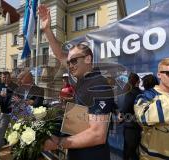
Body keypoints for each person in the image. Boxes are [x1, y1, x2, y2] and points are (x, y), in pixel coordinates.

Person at [39, 5, 115, 160]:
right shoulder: (81, 79)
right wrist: (47, 30)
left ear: (88, 59)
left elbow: (97, 135)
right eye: (69, 62)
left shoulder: (99, 85)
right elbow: (60, 54)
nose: (70, 65)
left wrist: (59, 143)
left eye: (74, 61)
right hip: (77, 152)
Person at [119, 73, 142, 160]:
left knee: (129, 151)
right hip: (138, 125)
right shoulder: (141, 93)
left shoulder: (130, 93)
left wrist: (121, 115)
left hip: (130, 126)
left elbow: (125, 108)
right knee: (134, 150)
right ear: (138, 81)